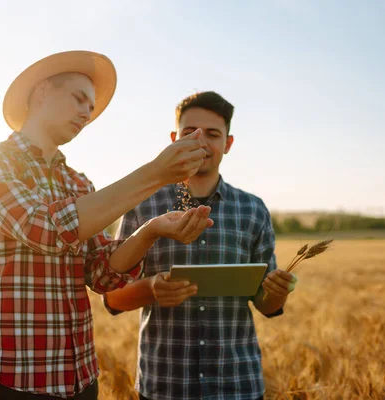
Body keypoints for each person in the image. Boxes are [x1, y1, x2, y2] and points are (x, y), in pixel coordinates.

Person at [0, 50, 214, 400]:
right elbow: (44, 229)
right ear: (42, 92)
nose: (86, 114)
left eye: (91, 109)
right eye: (79, 99)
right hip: (9, 378)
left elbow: (102, 274)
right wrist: (155, 174)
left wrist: (150, 230)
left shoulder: (80, 184)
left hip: (80, 379)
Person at [103, 91, 298, 400]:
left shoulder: (253, 209)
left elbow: (265, 305)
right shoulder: (141, 205)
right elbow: (112, 297)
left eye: (212, 133)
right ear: (173, 139)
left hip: (237, 384)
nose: (201, 140)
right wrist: (151, 288)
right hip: (165, 384)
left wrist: (275, 293)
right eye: (189, 132)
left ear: (228, 144)